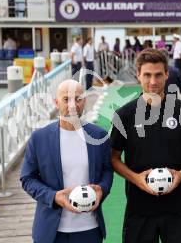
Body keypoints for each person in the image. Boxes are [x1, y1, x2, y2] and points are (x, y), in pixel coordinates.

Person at [110, 48, 181, 243]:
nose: (153, 81)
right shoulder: (124, 115)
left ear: (167, 74)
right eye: (147, 75)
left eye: (158, 75)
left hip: (178, 208)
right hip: (139, 209)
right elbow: (114, 157)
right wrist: (136, 178)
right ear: (138, 75)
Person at [20, 79, 113, 243]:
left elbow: (107, 171)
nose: (72, 105)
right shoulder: (39, 138)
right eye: (66, 99)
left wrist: (102, 190)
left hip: (89, 228)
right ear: (56, 102)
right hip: (51, 232)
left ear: (84, 101)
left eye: (78, 99)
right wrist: (54, 196)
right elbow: (27, 179)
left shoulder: (99, 136)